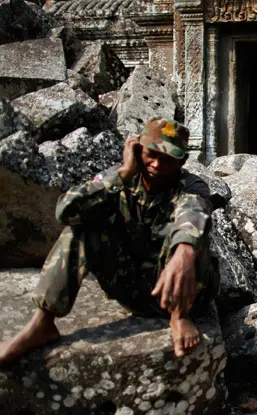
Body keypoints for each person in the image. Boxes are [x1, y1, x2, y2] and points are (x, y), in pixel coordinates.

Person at [0, 116, 218, 364]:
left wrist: (185, 253)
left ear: (182, 161)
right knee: (81, 227)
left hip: (183, 292)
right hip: (131, 287)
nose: (157, 164)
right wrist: (123, 174)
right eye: (151, 154)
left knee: (192, 241)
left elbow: (193, 215)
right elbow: (65, 211)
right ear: (136, 148)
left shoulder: (191, 186)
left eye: (168, 159)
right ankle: (42, 324)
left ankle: (179, 316)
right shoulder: (119, 178)